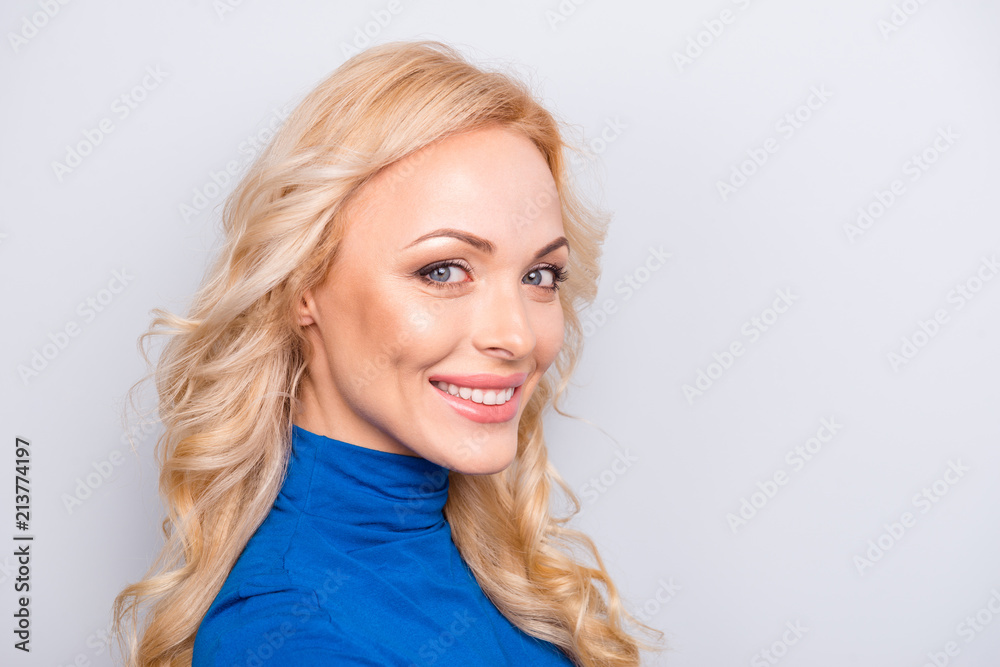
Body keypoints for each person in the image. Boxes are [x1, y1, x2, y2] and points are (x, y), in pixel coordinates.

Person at [112, 39, 664, 666]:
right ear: (302, 286)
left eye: (540, 276)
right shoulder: (292, 639)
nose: (515, 337)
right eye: (442, 271)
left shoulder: (487, 564)